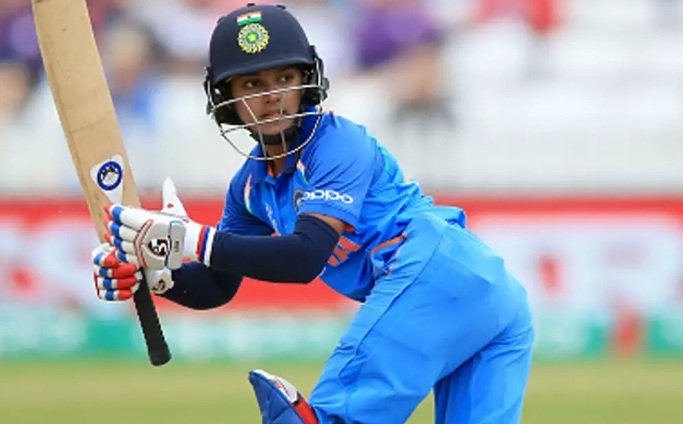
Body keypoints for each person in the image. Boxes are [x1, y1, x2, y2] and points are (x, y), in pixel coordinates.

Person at [91, 4, 534, 423]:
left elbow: (305, 256)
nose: (272, 96)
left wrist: (188, 239)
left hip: (436, 269)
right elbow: (218, 284)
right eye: (252, 85)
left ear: (307, 81)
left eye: (284, 78)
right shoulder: (249, 188)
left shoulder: (337, 143)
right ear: (226, 97)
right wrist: (157, 276)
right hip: (487, 295)